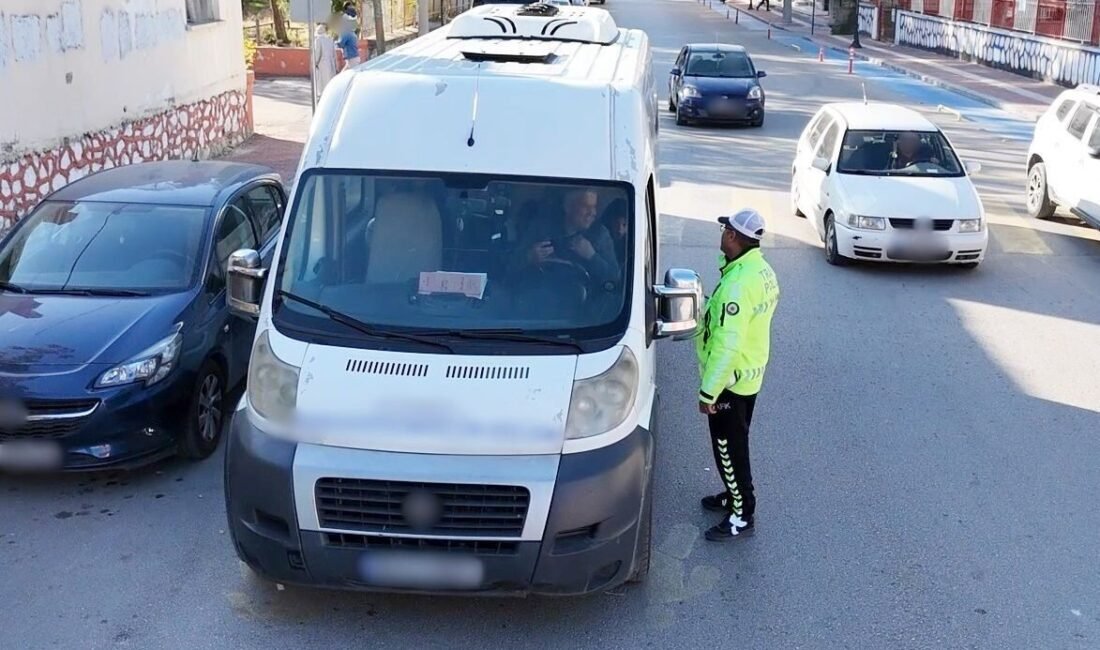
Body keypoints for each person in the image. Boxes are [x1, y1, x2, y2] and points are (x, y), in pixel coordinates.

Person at [696, 209, 780, 542]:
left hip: (729, 382)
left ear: (732, 236)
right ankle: (733, 496)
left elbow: (727, 345)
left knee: (729, 449)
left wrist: (709, 392)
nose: (721, 232)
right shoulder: (760, 269)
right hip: (749, 374)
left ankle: (742, 514)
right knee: (734, 444)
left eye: (724, 229)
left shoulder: (738, 285)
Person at [517, 188, 620, 287]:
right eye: (585, 206)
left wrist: (592, 256)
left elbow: (614, 278)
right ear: (568, 207)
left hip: (587, 297)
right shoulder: (541, 229)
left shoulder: (600, 235)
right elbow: (510, 266)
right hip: (540, 293)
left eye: (594, 207)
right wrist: (528, 257)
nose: (592, 213)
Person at [313, 23, 337, 100]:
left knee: (322, 81)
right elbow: (334, 53)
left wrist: (315, 63)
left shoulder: (318, 40)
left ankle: (323, 97)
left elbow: (317, 52)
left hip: (322, 63)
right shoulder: (330, 39)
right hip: (331, 62)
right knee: (330, 80)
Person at [336, 5, 361, 71]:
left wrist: (333, 43)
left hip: (351, 59)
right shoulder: (352, 33)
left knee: (346, 75)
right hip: (353, 58)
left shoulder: (346, 33)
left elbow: (340, 44)